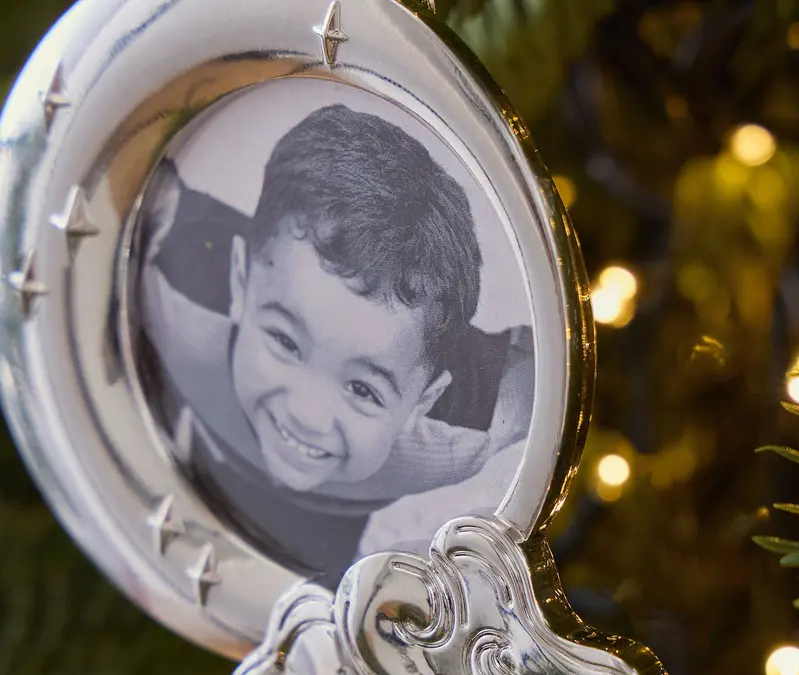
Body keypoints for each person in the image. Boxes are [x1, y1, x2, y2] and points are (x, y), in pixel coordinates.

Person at [137, 102, 533, 583]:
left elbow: (551, 374)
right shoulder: (176, 271)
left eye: (363, 389)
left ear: (425, 399)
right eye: (285, 342)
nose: (308, 415)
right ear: (240, 281)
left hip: (338, 517)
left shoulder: (470, 421)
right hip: (204, 456)